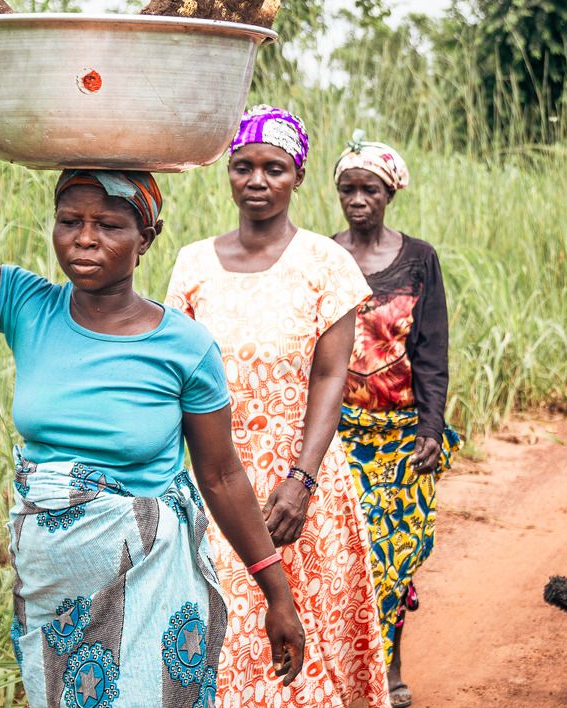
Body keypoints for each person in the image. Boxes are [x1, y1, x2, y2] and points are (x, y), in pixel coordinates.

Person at [0, 20, 304, 707]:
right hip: (54, 590)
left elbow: (222, 474)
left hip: (153, 582)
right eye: (69, 219)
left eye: (109, 224)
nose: (84, 239)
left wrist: (276, 590)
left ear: (146, 236)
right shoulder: (28, 307)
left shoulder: (184, 347)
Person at [165, 105, 390, 707]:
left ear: (298, 177)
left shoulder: (327, 265)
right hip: (217, 488)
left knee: (312, 643)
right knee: (234, 644)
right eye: (244, 167)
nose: (258, 180)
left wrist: (301, 480)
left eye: (275, 168)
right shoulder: (192, 265)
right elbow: (176, 380)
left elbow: (330, 375)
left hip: (304, 489)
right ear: (228, 173)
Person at [330, 132, 459, 708]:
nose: (358, 199)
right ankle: (345, 672)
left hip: (402, 438)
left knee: (395, 555)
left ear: (390, 193)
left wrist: (430, 429)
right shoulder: (322, 256)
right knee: (345, 555)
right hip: (336, 439)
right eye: (348, 189)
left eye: (370, 189)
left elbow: (432, 351)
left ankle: (390, 665)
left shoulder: (419, 259)